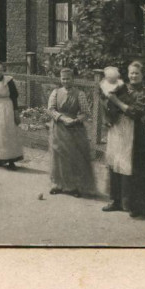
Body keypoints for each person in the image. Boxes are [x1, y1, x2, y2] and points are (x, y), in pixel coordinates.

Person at [102, 61, 145, 219]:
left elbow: (135, 112)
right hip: (117, 129)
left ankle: (135, 205)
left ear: (142, 75)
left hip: (134, 133)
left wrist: (115, 101)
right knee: (114, 164)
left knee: (134, 167)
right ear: (127, 74)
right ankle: (115, 201)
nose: (133, 76)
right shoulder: (121, 88)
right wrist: (108, 113)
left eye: (137, 73)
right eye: (131, 73)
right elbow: (106, 101)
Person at [47, 67, 96, 197]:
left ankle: (74, 186)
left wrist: (75, 120)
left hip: (74, 129)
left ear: (73, 79)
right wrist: (62, 118)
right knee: (58, 155)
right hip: (59, 127)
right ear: (60, 79)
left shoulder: (80, 94)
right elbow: (51, 109)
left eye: (68, 78)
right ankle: (58, 184)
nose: (66, 81)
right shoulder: (56, 92)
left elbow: (86, 113)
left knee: (73, 156)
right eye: (63, 78)